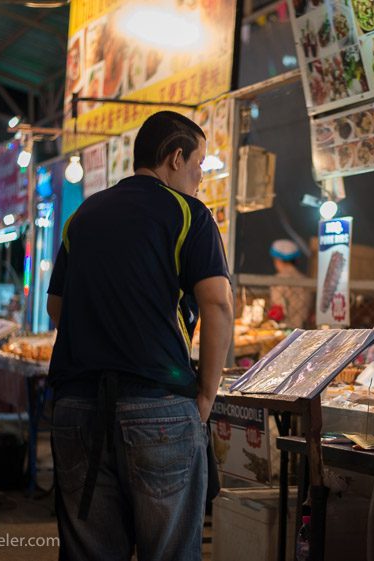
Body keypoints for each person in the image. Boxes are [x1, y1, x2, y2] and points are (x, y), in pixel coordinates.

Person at [46, 111, 234, 561]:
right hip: (158, 408)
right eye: (199, 164)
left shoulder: (84, 214)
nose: (200, 176)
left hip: (75, 406)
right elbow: (219, 304)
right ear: (174, 157)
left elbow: (57, 308)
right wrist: (206, 394)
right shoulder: (189, 214)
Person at [268, 238, 310, 328]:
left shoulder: (278, 280)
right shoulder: (305, 280)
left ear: (278, 259)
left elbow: (278, 311)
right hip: (303, 330)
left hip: (285, 329)